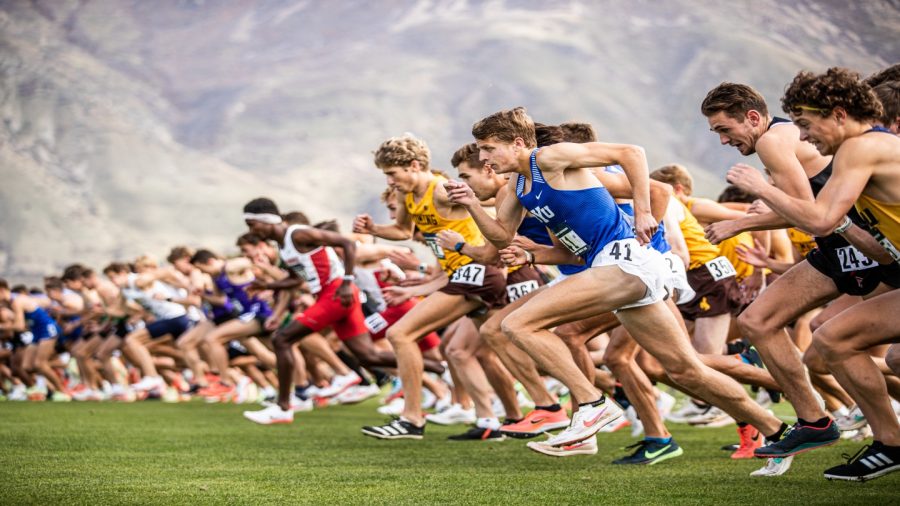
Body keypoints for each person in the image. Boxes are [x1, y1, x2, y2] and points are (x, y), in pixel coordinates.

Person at [451, 107, 786, 458]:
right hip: (611, 267)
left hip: (625, 261)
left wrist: (642, 211)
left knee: (516, 323)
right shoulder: (519, 186)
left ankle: (590, 402)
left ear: (517, 143)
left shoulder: (548, 157)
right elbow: (502, 236)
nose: (484, 158)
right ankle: (778, 430)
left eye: (488, 148)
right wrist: (474, 205)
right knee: (686, 370)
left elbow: (632, 153)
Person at [726, 67, 900, 481]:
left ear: (839, 113)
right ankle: (889, 442)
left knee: (845, 342)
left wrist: (761, 189)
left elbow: (820, 220)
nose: (802, 137)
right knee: (834, 340)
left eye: (805, 124)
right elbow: (869, 242)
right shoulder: (866, 150)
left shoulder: (862, 148)